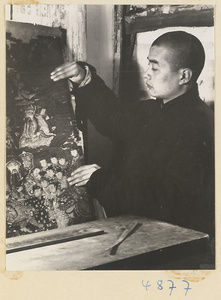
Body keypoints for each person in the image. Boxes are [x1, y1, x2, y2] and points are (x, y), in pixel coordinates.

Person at [50, 31, 214, 240]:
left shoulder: (200, 124)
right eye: (148, 65)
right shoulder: (157, 108)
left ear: (184, 76)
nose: (146, 73)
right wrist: (84, 78)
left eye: (154, 68)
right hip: (142, 232)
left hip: (174, 244)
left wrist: (100, 180)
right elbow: (114, 117)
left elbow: (168, 201)